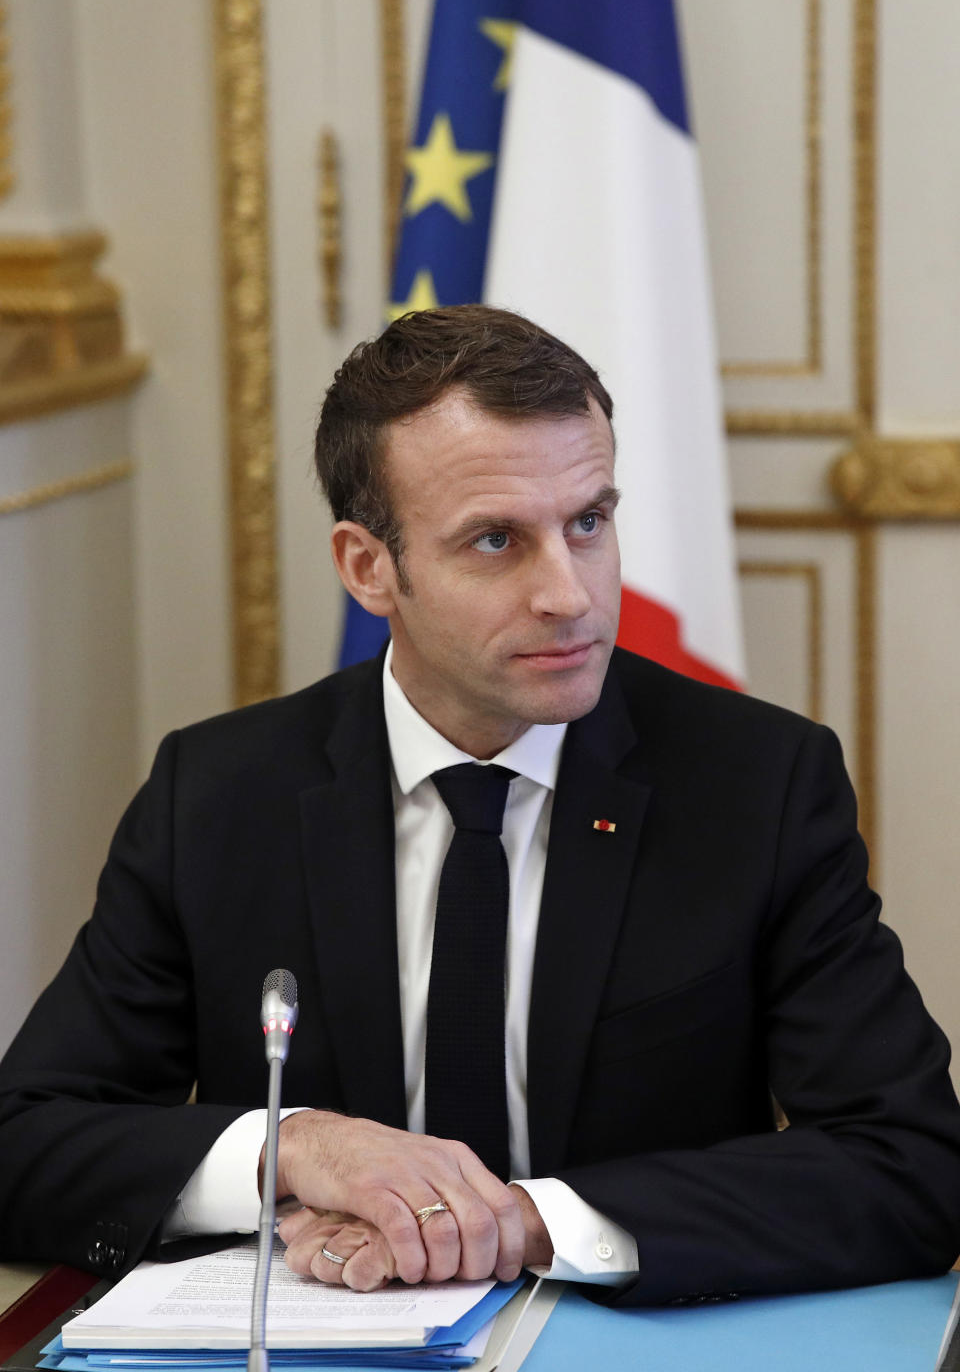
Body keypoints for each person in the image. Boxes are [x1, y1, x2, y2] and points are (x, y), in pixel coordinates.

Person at [1, 306, 959, 1307]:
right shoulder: (220, 795)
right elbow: (22, 1143)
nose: (571, 594)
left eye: (589, 521)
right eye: (497, 540)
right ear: (369, 567)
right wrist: (294, 1147)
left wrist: (529, 1224)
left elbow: (912, 1162)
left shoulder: (757, 784)